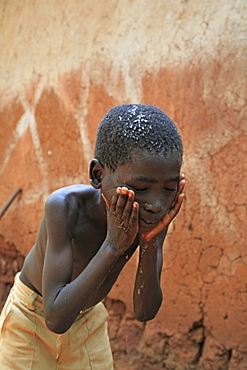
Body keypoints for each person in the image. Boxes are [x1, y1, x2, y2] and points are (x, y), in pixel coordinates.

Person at [0, 104, 185, 369]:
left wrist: (150, 242)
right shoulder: (65, 208)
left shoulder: (147, 218)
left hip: (87, 319)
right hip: (31, 317)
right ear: (98, 174)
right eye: (141, 188)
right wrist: (113, 246)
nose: (156, 204)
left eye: (169, 188)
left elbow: (145, 312)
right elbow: (55, 318)